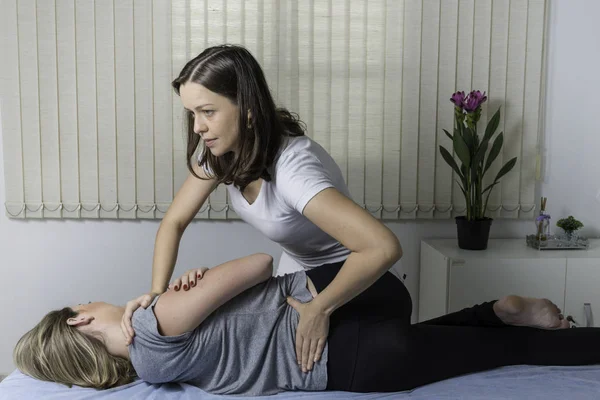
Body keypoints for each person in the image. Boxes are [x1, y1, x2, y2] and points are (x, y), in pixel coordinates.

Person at [121, 43, 405, 373]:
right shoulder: (221, 152)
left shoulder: (293, 170)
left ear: (248, 109)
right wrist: (156, 294)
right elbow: (175, 221)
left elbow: (383, 247)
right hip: (301, 274)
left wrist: (321, 309)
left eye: (208, 112)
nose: (198, 126)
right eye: (192, 114)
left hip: (355, 280)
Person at [13, 252, 600, 395]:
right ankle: (500, 316)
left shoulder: (151, 366)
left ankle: (492, 316)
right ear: (82, 319)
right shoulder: (153, 323)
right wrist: (168, 292)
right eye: (86, 301)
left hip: (358, 348)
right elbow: (259, 264)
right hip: (358, 307)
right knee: (509, 347)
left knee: (469, 349)